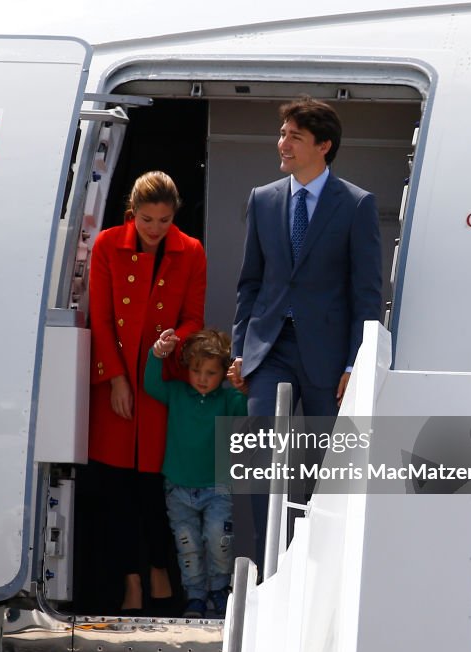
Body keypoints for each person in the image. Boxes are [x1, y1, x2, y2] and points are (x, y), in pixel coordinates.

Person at [228, 96, 382, 566]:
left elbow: (367, 293)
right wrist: (240, 352)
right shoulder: (264, 198)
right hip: (269, 349)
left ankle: (313, 565)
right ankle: (267, 568)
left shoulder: (356, 205)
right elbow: (250, 282)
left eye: (295, 136)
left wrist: (356, 362)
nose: (283, 144)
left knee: (323, 470)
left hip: (328, 357)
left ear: (323, 145)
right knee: (259, 453)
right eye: (283, 134)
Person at [84, 170, 207, 614]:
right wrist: (115, 378)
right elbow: (99, 317)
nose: (156, 230)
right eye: (148, 220)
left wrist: (175, 339)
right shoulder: (106, 246)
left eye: (165, 220)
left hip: (161, 383)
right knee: (115, 491)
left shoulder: (191, 251)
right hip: (114, 386)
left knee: (157, 489)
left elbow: (195, 316)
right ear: (132, 214)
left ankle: (160, 573)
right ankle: (130, 583)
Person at [145, 328, 247, 618]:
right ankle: (196, 597)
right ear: (187, 369)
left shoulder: (228, 401)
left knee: (218, 540)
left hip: (217, 487)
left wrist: (243, 386)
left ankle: (219, 590)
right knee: (187, 546)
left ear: (223, 373)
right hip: (178, 488)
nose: (203, 379)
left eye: (211, 373)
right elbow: (151, 384)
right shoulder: (177, 393)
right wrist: (157, 353)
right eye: (197, 371)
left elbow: (252, 406)